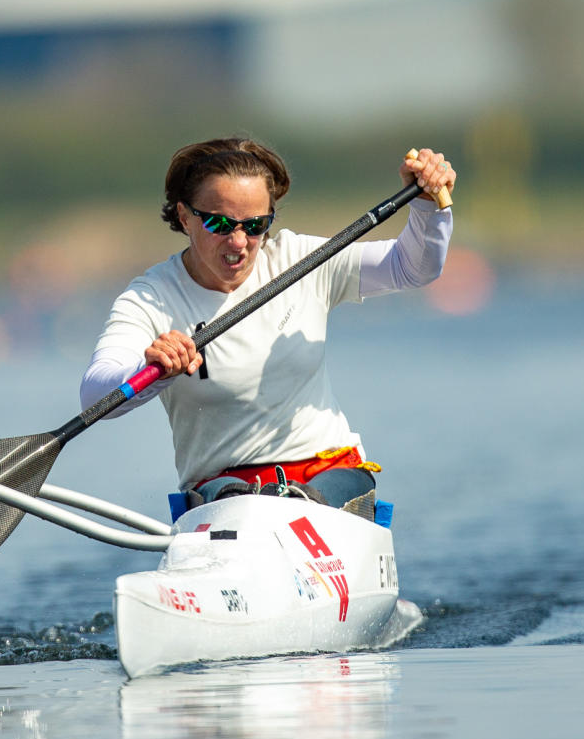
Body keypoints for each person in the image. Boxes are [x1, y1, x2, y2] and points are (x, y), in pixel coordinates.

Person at [79, 137, 456, 512]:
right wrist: (150, 370)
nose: (239, 242)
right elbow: (95, 397)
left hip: (328, 473)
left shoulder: (301, 261)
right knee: (236, 500)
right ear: (184, 217)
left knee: (311, 499)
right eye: (219, 223)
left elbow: (412, 268)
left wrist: (426, 207)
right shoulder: (152, 298)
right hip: (224, 490)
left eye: (256, 224)